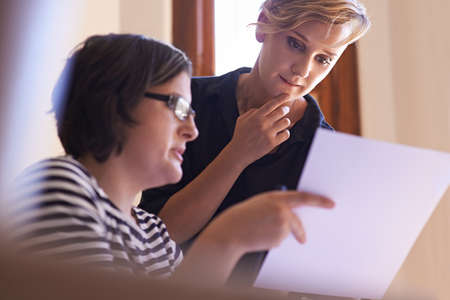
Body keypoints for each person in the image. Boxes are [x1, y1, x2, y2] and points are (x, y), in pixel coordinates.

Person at [7, 33, 333, 286]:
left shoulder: (152, 233)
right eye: (177, 106)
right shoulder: (59, 186)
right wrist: (225, 238)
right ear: (116, 101)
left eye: (191, 111)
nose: (192, 130)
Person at [139, 0, 370, 285]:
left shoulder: (329, 152)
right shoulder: (188, 100)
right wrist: (236, 155)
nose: (302, 69)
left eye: (323, 59)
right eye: (296, 44)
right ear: (263, 25)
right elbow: (156, 238)